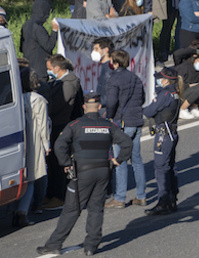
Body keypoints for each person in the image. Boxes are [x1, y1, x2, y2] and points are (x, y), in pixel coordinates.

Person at [36, 92, 132, 257]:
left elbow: (59, 145)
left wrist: (66, 164)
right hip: (103, 171)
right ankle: (91, 246)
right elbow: (127, 143)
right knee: (96, 209)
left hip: (81, 172)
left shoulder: (76, 125)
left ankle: (54, 245)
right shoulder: (108, 125)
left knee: (71, 210)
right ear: (100, 107)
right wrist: (117, 161)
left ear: (84, 107)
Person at [103, 50, 146, 209]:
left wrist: (109, 116)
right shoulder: (135, 77)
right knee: (136, 160)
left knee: (120, 160)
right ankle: (141, 196)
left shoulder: (113, 78)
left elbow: (112, 102)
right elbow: (143, 98)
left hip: (122, 123)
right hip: (137, 120)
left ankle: (119, 197)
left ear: (114, 62)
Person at [13, 68, 50, 228]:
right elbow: (43, 125)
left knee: (22, 176)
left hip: (20, 139)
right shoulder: (39, 100)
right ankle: (23, 212)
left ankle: (16, 210)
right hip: (34, 140)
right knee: (32, 178)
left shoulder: (16, 98)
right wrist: (46, 144)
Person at [143, 67, 183, 215]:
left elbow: (149, 111)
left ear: (166, 80)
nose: (158, 80)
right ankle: (172, 199)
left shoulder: (165, 94)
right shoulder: (175, 92)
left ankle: (163, 201)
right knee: (170, 166)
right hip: (171, 133)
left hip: (164, 135)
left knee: (161, 168)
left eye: (160, 77)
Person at [45, 55, 84, 208]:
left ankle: (59, 195)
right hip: (56, 125)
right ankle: (51, 193)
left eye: (49, 68)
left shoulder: (69, 84)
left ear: (57, 68)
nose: (48, 71)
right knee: (52, 161)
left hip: (61, 125)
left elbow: (59, 104)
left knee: (59, 160)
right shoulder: (59, 82)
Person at [20, 0, 58, 82]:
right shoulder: (38, 28)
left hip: (28, 68)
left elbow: (21, 48)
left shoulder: (25, 25)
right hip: (40, 70)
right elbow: (49, 46)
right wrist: (54, 30)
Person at [91, 37, 115, 106]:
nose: (94, 51)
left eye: (96, 49)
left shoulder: (109, 70)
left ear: (105, 50)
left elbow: (108, 95)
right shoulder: (105, 67)